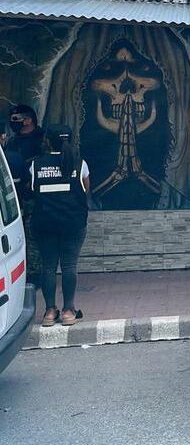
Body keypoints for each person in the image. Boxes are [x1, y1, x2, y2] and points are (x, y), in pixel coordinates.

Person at [29, 125, 89, 327]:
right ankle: (69, 311)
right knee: (69, 265)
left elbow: (32, 189)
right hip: (73, 224)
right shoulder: (80, 163)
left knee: (48, 266)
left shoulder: (36, 165)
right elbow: (85, 189)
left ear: (48, 141)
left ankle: (49, 312)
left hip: (44, 223)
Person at [7, 105, 45, 286]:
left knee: (33, 236)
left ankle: (34, 274)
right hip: (13, 197)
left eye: (17, 119)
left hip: (35, 197)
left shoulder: (43, 139)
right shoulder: (13, 142)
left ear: (28, 120)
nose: (14, 123)